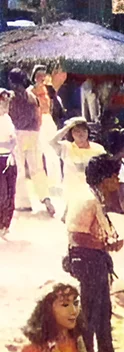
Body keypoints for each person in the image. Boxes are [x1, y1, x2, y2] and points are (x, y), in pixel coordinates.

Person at [65, 154, 124, 352]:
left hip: (95, 259)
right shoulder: (87, 199)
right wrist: (106, 245)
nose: (117, 182)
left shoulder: (93, 196)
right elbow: (77, 236)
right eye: (114, 177)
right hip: (88, 259)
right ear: (105, 178)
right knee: (90, 314)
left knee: (103, 311)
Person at [8, 69, 55, 217]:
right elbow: (36, 116)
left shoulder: (13, 97)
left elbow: (13, 118)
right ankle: (46, 198)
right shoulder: (32, 96)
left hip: (18, 134)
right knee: (37, 169)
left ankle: (23, 202)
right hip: (34, 133)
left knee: (19, 168)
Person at [51, 117, 106, 216]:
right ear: (71, 134)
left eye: (84, 131)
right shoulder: (66, 147)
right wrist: (68, 127)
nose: (81, 134)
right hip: (71, 192)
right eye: (76, 131)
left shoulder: (98, 149)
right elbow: (52, 142)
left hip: (91, 190)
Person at [31, 65, 63, 185]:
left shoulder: (49, 89)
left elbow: (56, 106)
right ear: (34, 76)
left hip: (48, 119)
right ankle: (45, 182)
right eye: (39, 75)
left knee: (53, 150)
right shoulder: (30, 91)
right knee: (41, 151)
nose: (42, 78)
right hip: (37, 121)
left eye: (44, 75)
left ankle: (57, 181)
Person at [0, 89, 15, 239]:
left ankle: (5, 224)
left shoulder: (7, 119)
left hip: (9, 158)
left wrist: (11, 148)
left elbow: (13, 139)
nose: (5, 105)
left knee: (10, 193)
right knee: (2, 193)